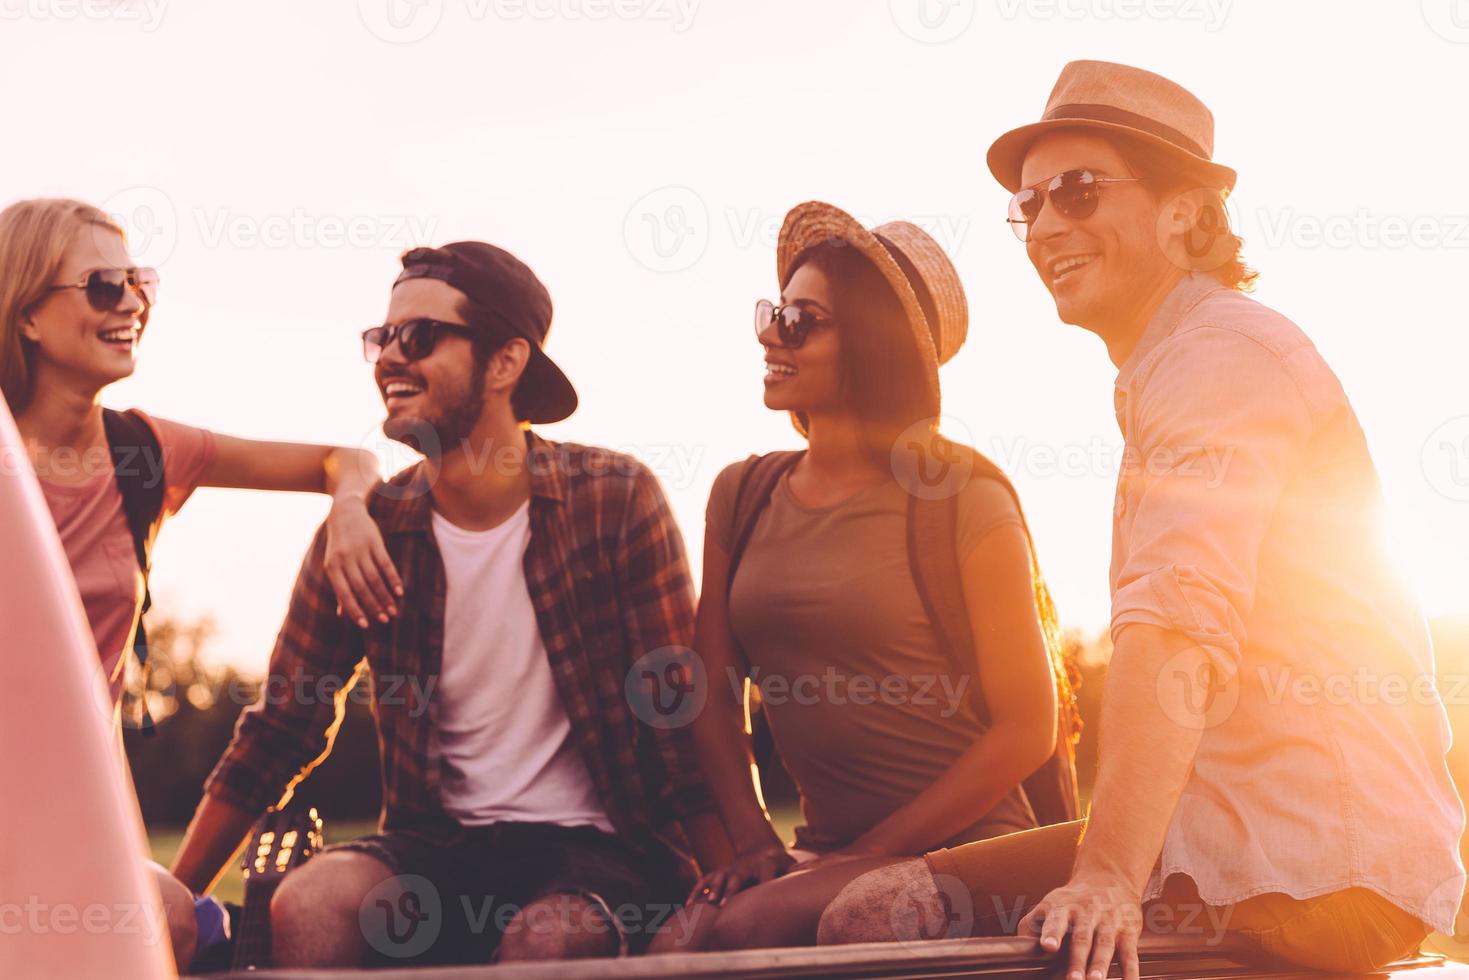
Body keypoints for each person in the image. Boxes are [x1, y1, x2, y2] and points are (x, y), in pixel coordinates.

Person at [816, 60, 1467, 979]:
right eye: (1028, 206)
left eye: (1076, 193)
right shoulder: (1176, 362)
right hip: (1237, 833)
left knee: (870, 922)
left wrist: (1108, 878)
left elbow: (1175, 625)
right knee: (863, 908)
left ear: (1184, 214)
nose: (1044, 226)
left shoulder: (1218, 356)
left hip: (1311, 869)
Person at [169, 240, 726, 967]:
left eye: (419, 336)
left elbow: (674, 714)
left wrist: (728, 871)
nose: (389, 358)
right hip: (436, 848)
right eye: (382, 337)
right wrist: (174, 903)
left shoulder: (613, 499)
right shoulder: (370, 529)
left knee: (547, 938)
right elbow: (279, 731)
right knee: (308, 902)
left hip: (605, 850)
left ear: (504, 363)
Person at [648, 202, 1070, 953]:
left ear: (875, 346)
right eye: (775, 313)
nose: (771, 337)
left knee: (753, 927)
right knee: (676, 942)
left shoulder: (964, 496)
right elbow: (710, 684)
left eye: (801, 321)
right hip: (831, 849)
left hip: (968, 848)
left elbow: (1026, 727)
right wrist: (752, 842)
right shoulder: (741, 494)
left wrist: (866, 855)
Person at [0, 197, 403, 970]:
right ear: (25, 316)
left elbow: (340, 460)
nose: (132, 305)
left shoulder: (141, 454)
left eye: (138, 281)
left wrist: (350, 508)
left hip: (79, 814)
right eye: (101, 286)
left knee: (172, 924)